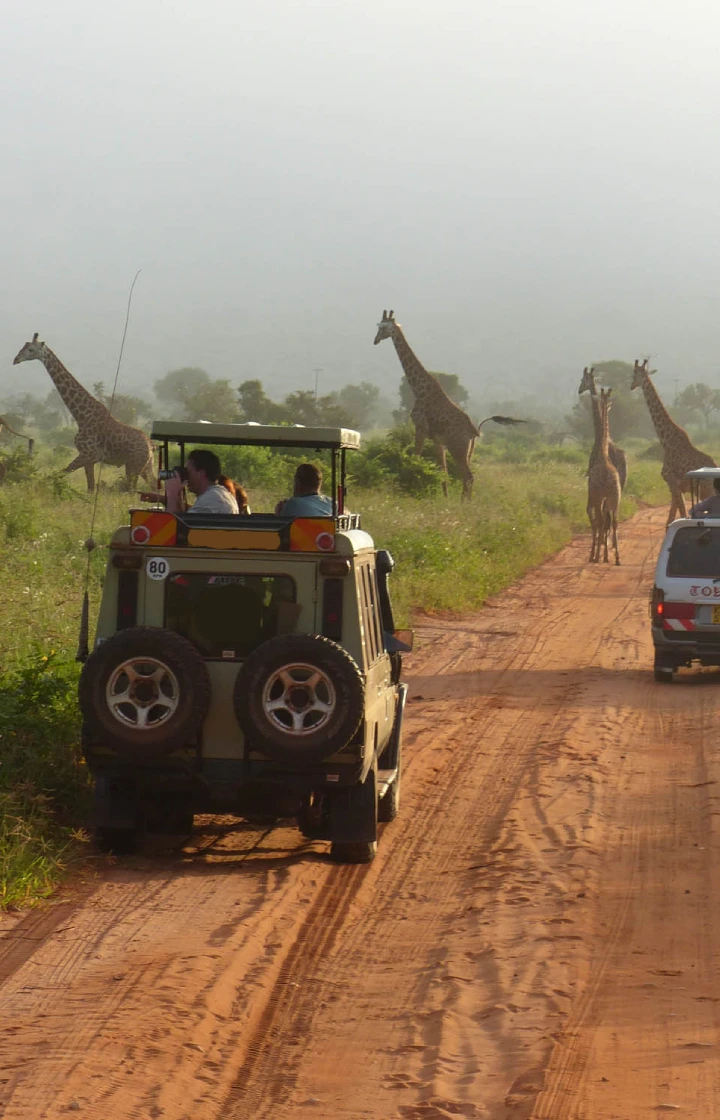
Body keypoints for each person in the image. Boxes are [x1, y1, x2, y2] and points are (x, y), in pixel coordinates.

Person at [165, 449, 239, 514]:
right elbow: (183, 520)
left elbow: (174, 527)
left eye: (188, 472)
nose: (186, 477)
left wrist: (172, 494)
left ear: (201, 473)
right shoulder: (219, 494)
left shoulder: (212, 499)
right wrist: (178, 495)